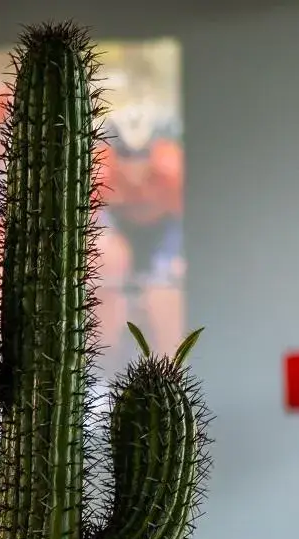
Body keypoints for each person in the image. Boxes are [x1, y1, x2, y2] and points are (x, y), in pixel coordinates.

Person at [96, 101, 185, 360]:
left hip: (162, 229)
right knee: (107, 270)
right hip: (121, 229)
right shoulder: (100, 170)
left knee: (166, 284)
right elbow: (93, 217)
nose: (134, 164)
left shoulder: (172, 169)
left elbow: (181, 222)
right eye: (125, 154)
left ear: (154, 149)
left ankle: (170, 359)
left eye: (142, 154)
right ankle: (105, 358)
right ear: (114, 151)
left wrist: (167, 261)